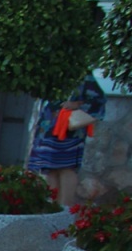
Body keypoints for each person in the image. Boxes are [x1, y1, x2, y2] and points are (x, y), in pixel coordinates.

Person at [27, 75, 106, 206]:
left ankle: (65, 210)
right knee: (47, 168)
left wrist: (76, 104)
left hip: (70, 131)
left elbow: (99, 99)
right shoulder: (50, 71)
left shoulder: (83, 75)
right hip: (47, 126)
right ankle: (51, 207)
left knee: (66, 168)